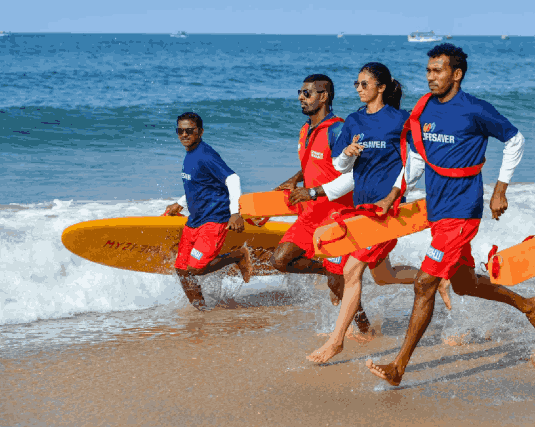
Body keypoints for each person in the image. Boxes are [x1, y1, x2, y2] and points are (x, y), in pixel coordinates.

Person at [365, 43, 535, 386]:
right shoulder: (424, 110)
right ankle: (528, 306)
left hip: (463, 212)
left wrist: (500, 189)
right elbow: (418, 158)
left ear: (457, 74)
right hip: (438, 209)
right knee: (463, 283)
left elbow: (515, 140)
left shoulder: (475, 110)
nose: (430, 77)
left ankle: (398, 367)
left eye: (438, 71)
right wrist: (395, 191)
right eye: (428, 71)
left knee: (425, 283)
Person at [306, 62, 451, 364]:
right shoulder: (354, 121)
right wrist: (346, 154)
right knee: (383, 275)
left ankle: (336, 343)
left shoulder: (401, 120)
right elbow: (339, 167)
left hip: (387, 211)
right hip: (360, 207)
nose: (358, 89)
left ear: (381, 87)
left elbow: (416, 163)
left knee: (351, 271)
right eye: (356, 84)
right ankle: (438, 279)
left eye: (364, 84)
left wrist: (393, 195)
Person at [271, 74, 371, 333]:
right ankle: (327, 270)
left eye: (307, 93)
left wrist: (314, 191)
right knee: (281, 260)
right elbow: (313, 163)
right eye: (300, 92)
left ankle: (366, 328)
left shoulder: (338, 130)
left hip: (337, 214)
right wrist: (295, 179)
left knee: (338, 285)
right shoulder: (306, 129)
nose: (300, 98)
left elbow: (350, 172)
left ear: (323, 96)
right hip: (310, 215)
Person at [164, 112, 253, 311]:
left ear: (200, 132)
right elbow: (200, 184)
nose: (184, 135)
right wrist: (179, 203)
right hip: (195, 220)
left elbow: (233, 179)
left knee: (196, 268)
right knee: (181, 270)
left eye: (189, 130)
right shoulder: (191, 154)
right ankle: (202, 311)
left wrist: (235, 213)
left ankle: (237, 255)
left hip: (214, 219)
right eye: (180, 131)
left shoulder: (205, 154)